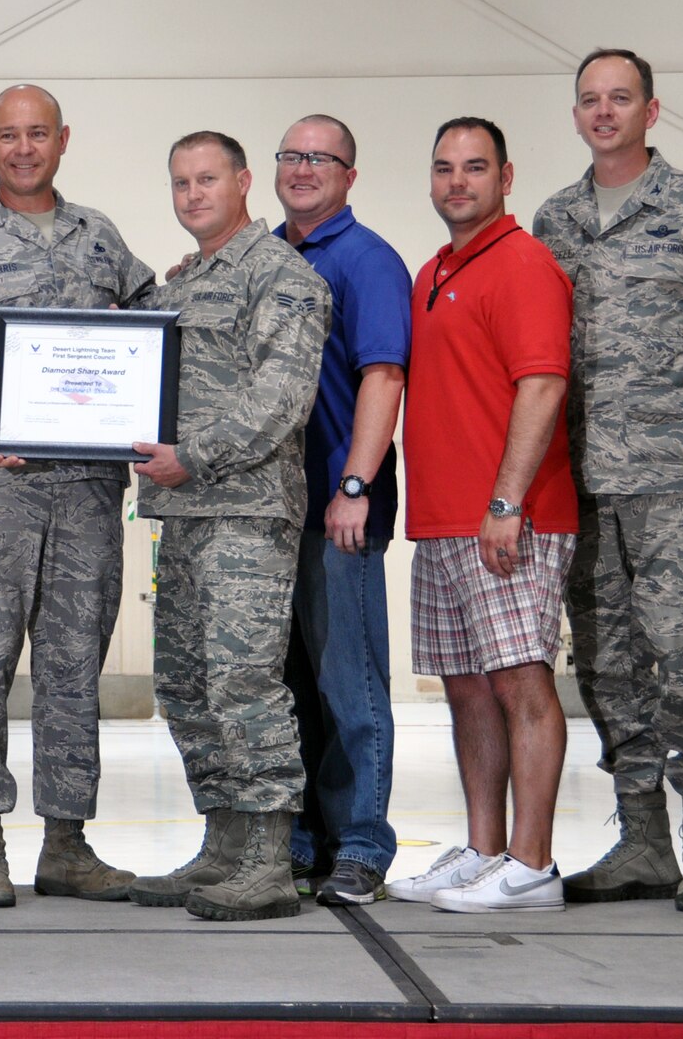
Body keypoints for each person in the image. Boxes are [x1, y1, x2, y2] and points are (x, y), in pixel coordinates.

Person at [0, 84, 156, 907]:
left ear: (62, 140)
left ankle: (66, 844)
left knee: (73, 665)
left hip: (86, 492)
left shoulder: (101, 239)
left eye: (37, 134)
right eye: (9, 135)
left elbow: (150, 329)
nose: (23, 149)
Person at [533, 50, 683, 913]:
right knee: (608, 668)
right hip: (584, 488)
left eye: (620, 98)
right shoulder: (555, 221)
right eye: (590, 100)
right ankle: (643, 841)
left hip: (679, 486)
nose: (604, 112)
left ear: (650, 112)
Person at [125, 131, 329, 922]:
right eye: (180, 182)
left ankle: (269, 861)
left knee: (244, 682)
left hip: (246, 512)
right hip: (180, 515)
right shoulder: (181, 283)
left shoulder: (283, 278)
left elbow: (281, 399)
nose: (192, 195)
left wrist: (194, 456)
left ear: (244, 182)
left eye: (207, 179)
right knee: (186, 684)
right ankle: (222, 845)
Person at [386, 117, 578, 914]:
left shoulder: (524, 264)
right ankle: (483, 850)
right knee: (467, 688)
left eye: (474, 167)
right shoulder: (434, 269)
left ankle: (531, 863)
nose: (456, 181)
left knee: (520, 681)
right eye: (443, 168)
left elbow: (542, 385)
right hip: (443, 522)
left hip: (508, 519)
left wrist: (505, 502)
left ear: (506, 176)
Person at [268, 115, 411, 906]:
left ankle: (360, 845)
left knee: (350, 685)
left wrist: (355, 486)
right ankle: (301, 841)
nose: (302, 168)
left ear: (350, 174)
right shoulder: (272, 258)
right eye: (290, 155)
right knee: (290, 686)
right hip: (275, 511)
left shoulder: (367, 260)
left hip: (339, 508)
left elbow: (384, 378)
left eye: (319, 158)